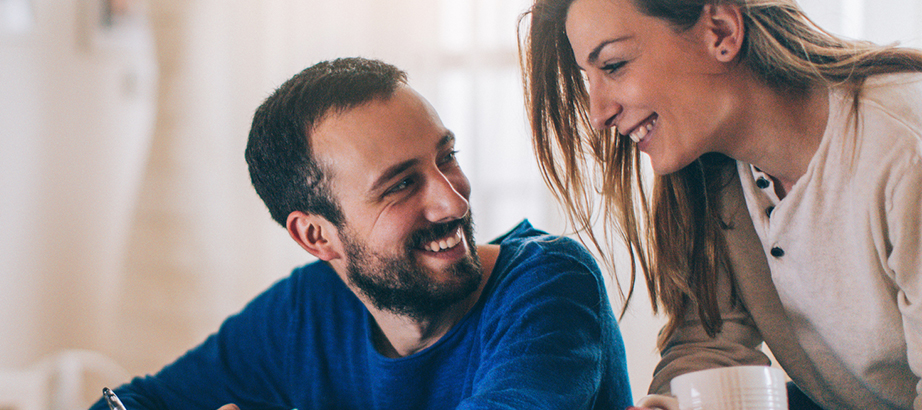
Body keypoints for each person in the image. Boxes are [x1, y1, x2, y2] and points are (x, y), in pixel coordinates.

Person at [88, 57, 631, 410]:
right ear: (318, 237)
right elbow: (136, 403)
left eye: (447, 157)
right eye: (400, 186)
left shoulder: (548, 283)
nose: (452, 200)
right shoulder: (308, 310)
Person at [520, 0, 922, 408]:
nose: (598, 113)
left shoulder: (906, 154)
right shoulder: (716, 171)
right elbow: (709, 343)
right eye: (588, 78)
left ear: (721, 31)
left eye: (613, 65)